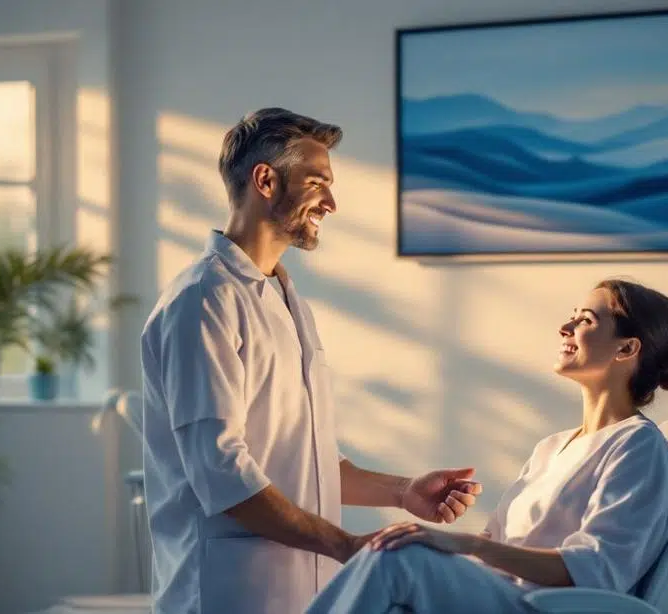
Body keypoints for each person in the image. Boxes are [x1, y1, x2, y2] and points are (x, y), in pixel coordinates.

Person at [139, 108, 483, 614]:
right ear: (265, 180)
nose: (332, 203)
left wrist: (404, 491)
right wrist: (347, 545)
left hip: (304, 595)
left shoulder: (284, 298)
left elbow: (311, 462)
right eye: (318, 182)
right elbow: (223, 474)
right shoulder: (202, 300)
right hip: (226, 594)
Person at [305, 278, 668, 614]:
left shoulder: (638, 447)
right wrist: (444, 550)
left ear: (626, 350)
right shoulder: (551, 447)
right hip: (499, 595)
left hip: (542, 608)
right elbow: (494, 543)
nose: (565, 327)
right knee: (389, 547)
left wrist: (462, 545)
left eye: (585, 320)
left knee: (399, 560)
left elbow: (597, 569)